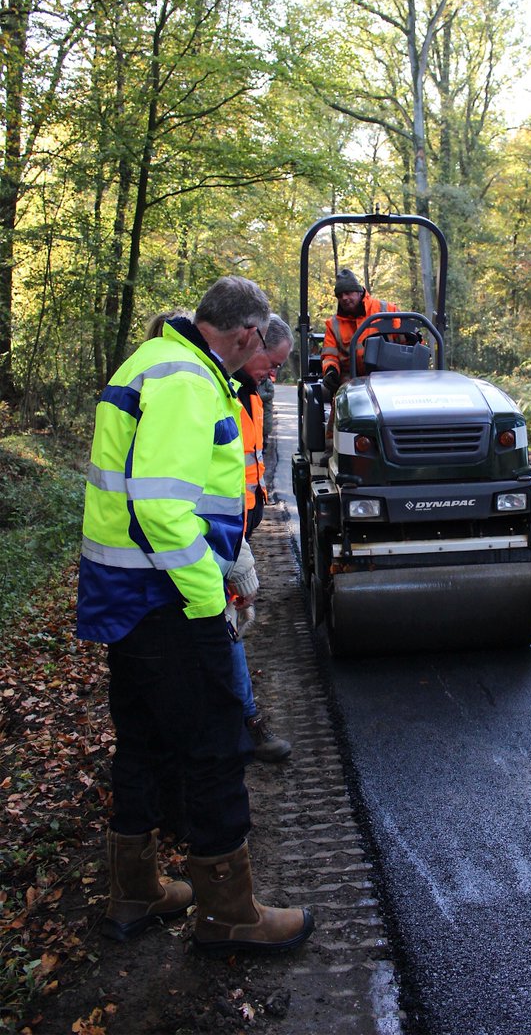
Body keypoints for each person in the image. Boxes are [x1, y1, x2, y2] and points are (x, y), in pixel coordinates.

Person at [77, 278, 313, 955]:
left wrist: (229, 554)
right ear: (246, 334)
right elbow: (160, 506)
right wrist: (211, 595)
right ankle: (229, 914)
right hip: (169, 602)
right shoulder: (187, 380)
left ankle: (135, 893)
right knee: (215, 749)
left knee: (144, 744)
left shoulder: (153, 360)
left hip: (128, 599)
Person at [228, 314, 294, 763]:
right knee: (226, 631)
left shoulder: (249, 394)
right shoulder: (222, 393)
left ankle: (241, 723)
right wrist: (236, 551)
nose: (273, 374)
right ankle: (246, 724)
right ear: (252, 343)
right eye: (272, 364)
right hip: (223, 536)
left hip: (238, 531)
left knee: (230, 627)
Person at [320, 270, 401, 433]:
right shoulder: (333, 324)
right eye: (340, 295)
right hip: (352, 380)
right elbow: (330, 355)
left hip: (390, 378)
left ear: (359, 291)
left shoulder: (386, 310)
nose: (344, 298)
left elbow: (409, 339)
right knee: (341, 409)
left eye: (348, 293)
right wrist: (330, 371)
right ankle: (334, 444)